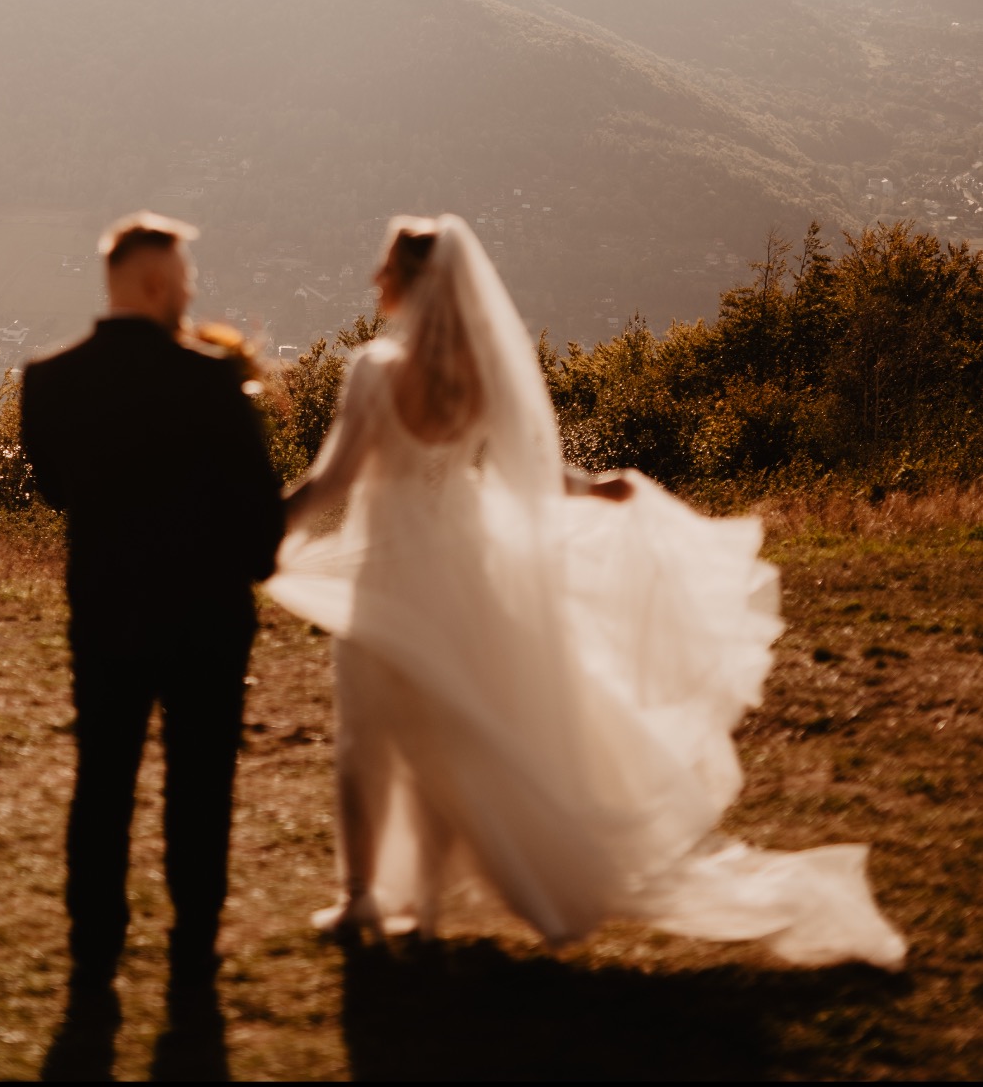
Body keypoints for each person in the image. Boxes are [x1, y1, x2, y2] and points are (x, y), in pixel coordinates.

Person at [270, 214, 905, 969]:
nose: (374, 281)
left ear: (410, 284)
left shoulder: (374, 370)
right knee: (441, 744)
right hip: (464, 578)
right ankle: (424, 911)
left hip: (388, 578)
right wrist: (587, 487)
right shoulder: (477, 378)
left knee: (363, 742)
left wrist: (264, 527)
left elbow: (332, 480)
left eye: (385, 270)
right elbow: (521, 471)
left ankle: (359, 898)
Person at [21, 212, 284, 1000]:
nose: (191, 291)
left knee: (102, 781)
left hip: (103, 609)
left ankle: (94, 954)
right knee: (198, 787)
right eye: (185, 279)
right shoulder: (210, 380)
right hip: (207, 620)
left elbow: (58, 492)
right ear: (154, 282)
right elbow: (260, 526)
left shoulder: (48, 380)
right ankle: (191, 949)